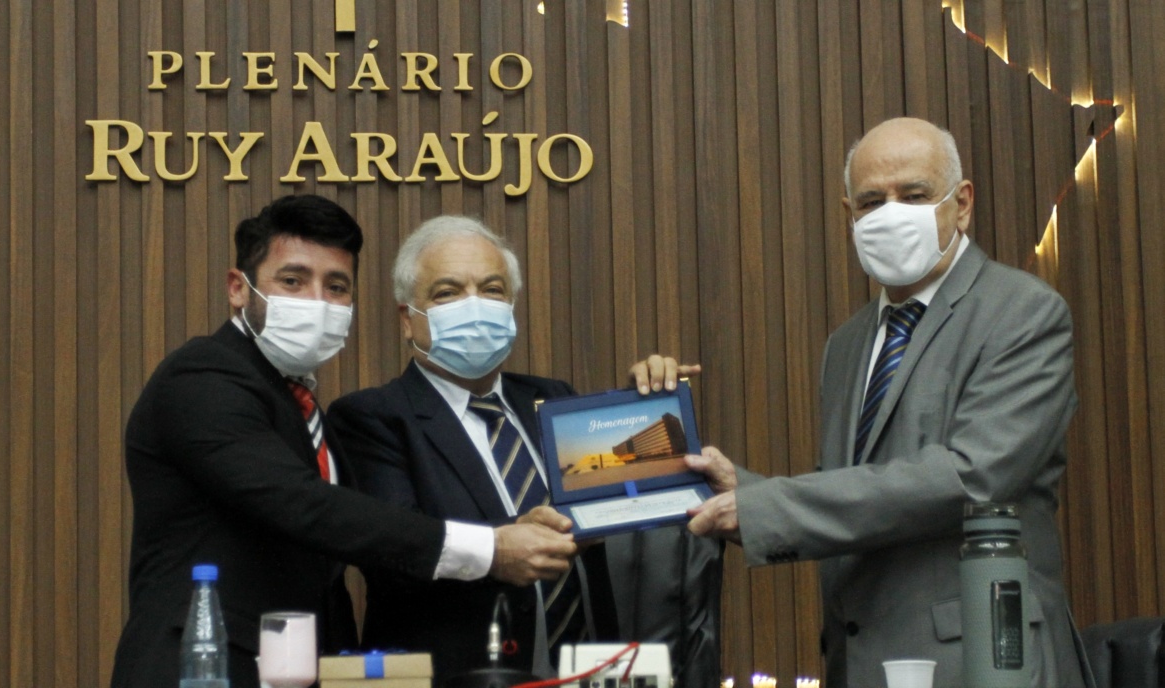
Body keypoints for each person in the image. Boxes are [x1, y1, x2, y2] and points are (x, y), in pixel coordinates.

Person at [110, 195, 578, 688]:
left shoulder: (299, 404)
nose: (317, 301)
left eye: (336, 286)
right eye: (292, 281)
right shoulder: (203, 377)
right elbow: (303, 506)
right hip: (204, 665)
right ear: (238, 289)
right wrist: (491, 548)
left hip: (298, 667)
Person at [685, 117, 1088, 687]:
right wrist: (742, 492)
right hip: (863, 664)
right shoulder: (848, 344)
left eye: (914, 195)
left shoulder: (1022, 311)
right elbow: (855, 486)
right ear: (848, 214)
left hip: (981, 662)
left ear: (962, 203)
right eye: (872, 201)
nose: (890, 213)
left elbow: (973, 476)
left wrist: (769, 507)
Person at [326, 215, 722, 684]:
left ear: (511, 307)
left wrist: (647, 403)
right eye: (448, 293)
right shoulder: (372, 418)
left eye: (492, 290)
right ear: (408, 320)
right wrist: (504, 544)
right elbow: (395, 555)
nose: (474, 306)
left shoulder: (552, 398)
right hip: (457, 675)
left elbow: (607, 492)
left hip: (589, 672)